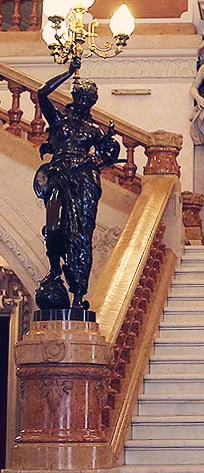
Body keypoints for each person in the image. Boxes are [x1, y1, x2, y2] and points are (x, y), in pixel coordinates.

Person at [34, 56, 120, 311]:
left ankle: (79, 295)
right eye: (81, 98)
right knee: (53, 226)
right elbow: (41, 94)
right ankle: (53, 269)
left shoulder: (93, 130)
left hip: (84, 180)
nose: (84, 103)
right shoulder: (58, 120)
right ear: (74, 96)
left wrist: (108, 144)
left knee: (81, 235)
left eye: (89, 100)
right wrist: (68, 72)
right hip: (59, 176)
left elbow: (107, 156)